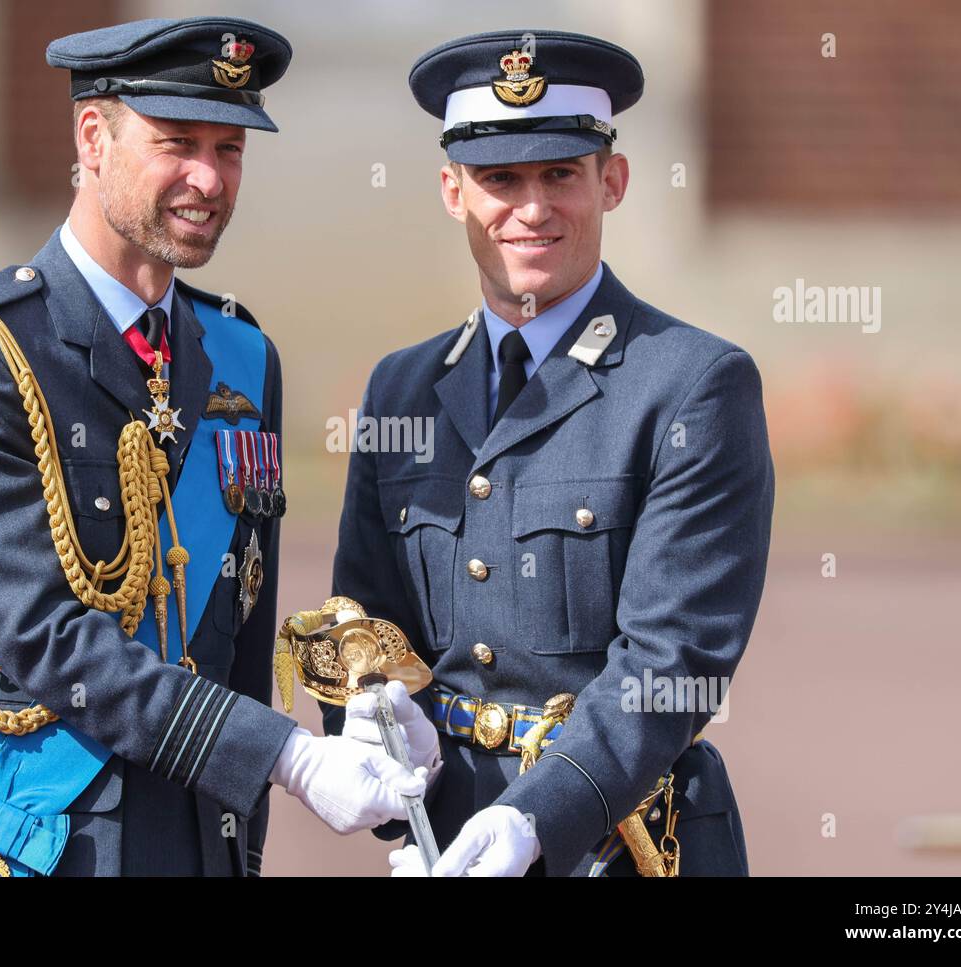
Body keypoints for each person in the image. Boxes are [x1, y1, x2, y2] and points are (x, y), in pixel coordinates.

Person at [0, 16, 424, 878]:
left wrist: (355, 729)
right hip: (38, 845)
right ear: (92, 137)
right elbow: (42, 634)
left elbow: (241, 626)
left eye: (230, 148)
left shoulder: (243, 356)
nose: (208, 178)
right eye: (176, 142)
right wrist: (281, 755)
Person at [329, 29, 775, 877]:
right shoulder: (402, 391)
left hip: (624, 844)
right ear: (452, 190)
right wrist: (373, 740)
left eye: (560, 174)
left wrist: (537, 820)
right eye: (500, 178)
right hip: (447, 842)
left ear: (612, 181)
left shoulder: (692, 385)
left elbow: (671, 663)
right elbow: (367, 624)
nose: (531, 209)